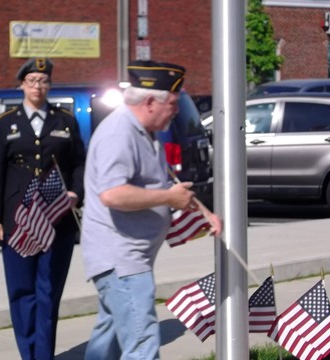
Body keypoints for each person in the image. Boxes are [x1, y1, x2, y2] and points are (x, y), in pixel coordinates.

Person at [80, 60, 223, 360]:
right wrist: (168, 199)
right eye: (173, 103)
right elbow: (112, 194)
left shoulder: (145, 131)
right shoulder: (119, 134)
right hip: (122, 261)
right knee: (143, 346)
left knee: (106, 344)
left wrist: (201, 212)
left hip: (127, 259)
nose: (176, 110)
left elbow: (165, 183)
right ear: (149, 102)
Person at [0, 57, 85, 360]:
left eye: (43, 81)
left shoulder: (65, 120)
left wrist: (75, 193)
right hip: (18, 219)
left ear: (49, 85)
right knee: (21, 291)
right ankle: (27, 354)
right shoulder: (7, 123)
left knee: (48, 293)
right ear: (22, 85)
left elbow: (80, 162)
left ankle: (43, 355)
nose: (37, 86)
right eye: (31, 81)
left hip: (57, 220)